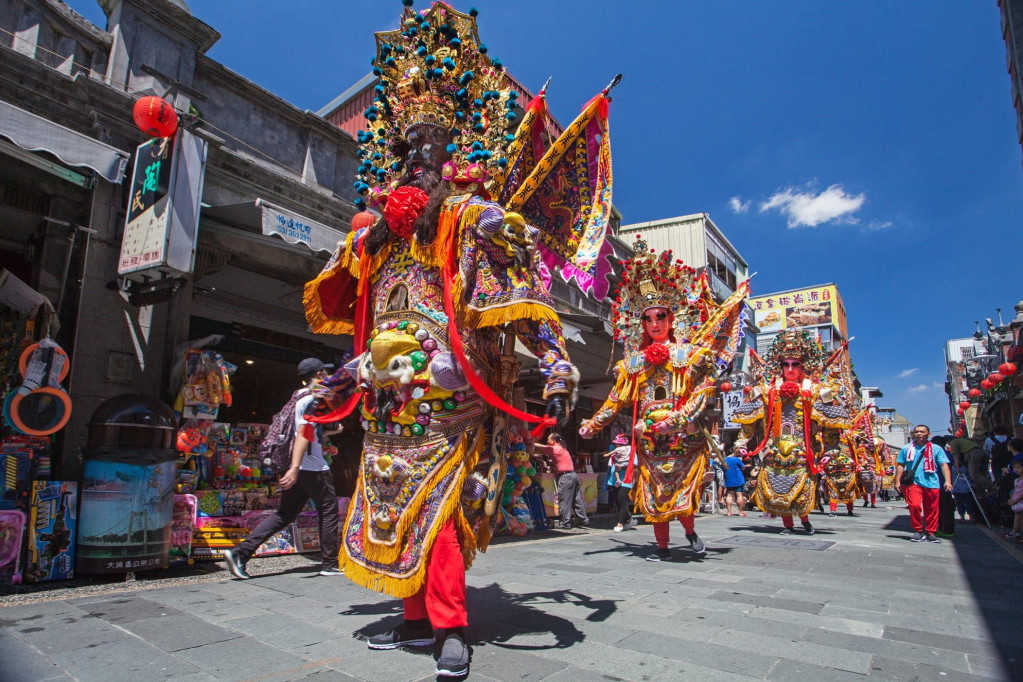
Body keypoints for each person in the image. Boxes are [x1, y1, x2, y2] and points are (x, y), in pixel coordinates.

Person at [297, 4, 617, 675]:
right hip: (389, 406)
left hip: (451, 396)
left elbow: (517, 292)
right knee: (394, 509)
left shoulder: (472, 219)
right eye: (406, 150)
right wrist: (344, 374)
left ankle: (449, 624)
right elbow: (360, 315)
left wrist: (556, 360)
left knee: (440, 516)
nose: (417, 160)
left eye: (430, 149)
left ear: (453, 156)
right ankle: (415, 618)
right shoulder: (376, 238)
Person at [578, 236, 749, 561]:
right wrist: (592, 423)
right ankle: (662, 546)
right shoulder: (634, 363)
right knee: (655, 495)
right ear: (640, 322)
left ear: (672, 320)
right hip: (649, 441)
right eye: (647, 318)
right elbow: (616, 398)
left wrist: (679, 418)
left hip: (682, 438)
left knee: (680, 491)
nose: (654, 324)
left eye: (660, 317)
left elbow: (703, 391)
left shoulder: (691, 356)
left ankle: (689, 532)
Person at [223, 358, 341, 579]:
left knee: (284, 514)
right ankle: (330, 563)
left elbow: (309, 431)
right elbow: (303, 433)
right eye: (325, 372)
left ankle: (240, 552)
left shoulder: (298, 397)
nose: (328, 376)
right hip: (312, 466)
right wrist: (295, 468)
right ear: (319, 375)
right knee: (329, 511)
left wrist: (329, 433)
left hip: (301, 464)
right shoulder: (313, 400)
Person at [732, 331, 851, 535]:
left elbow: (831, 425)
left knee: (802, 486)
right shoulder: (768, 389)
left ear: (803, 365)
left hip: (803, 449)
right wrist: (741, 444)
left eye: (795, 364)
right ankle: (787, 524)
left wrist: (831, 450)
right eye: (785, 364)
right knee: (778, 486)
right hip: (775, 448)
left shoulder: (815, 390)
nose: (790, 369)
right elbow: (748, 422)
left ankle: (804, 520)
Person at [895, 424, 952, 543]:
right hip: (913, 482)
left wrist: (947, 481)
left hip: (931, 482)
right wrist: (898, 481)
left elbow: (943, 465)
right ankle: (918, 530)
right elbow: (900, 465)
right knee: (914, 505)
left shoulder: (936, 449)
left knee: (931, 508)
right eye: (916, 432)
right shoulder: (906, 448)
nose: (919, 434)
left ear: (928, 434)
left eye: (922, 432)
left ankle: (931, 532)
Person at [534, 433, 589, 529]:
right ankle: (582, 519)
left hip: (565, 477)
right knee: (576, 499)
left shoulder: (555, 448)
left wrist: (531, 443)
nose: (547, 441)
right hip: (573, 475)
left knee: (564, 499)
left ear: (554, 441)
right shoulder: (563, 448)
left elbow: (542, 447)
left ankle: (566, 522)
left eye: (548, 439)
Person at [606, 434, 636, 532]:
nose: (616, 446)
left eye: (618, 444)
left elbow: (634, 464)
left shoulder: (631, 451)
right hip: (615, 479)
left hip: (627, 478)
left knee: (621, 498)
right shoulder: (616, 452)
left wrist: (622, 467)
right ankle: (628, 520)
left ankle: (620, 523)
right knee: (617, 501)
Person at [722, 450, 747, 517]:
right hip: (738, 479)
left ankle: (729, 512)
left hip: (729, 479)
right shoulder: (736, 459)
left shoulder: (724, 460)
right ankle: (740, 512)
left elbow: (722, 468)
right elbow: (743, 468)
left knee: (729, 495)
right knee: (739, 495)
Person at [1006, 458, 1023, 539]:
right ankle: (1016, 531)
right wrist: (1011, 499)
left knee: (1019, 517)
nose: (1016, 469)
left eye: (1018, 467)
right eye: (1014, 468)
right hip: (1016, 502)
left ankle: (1015, 531)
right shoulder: (1016, 480)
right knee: (1018, 516)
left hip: (1020, 501)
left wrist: (1014, 500)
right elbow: (1014, 491)